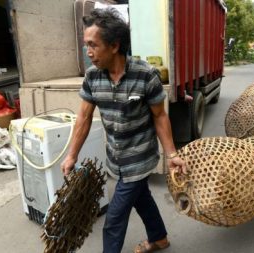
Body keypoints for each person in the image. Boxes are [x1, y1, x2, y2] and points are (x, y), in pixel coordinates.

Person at [60, 8, 186, 253]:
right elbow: (84, 117)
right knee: (142, 199)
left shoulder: (145, 75)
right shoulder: (93, 78)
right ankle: (159, 238)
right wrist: (71, 155)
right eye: (86, 45)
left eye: (93, 45)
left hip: (139, 159)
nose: (89, 52)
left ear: (115, 45)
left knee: (114, 220)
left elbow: (160, 116)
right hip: (115, 158)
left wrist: (172, 155)